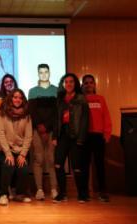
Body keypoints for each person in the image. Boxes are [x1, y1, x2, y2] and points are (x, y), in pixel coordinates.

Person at [53, 73, 89, 203]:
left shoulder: (81, 99)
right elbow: (56, 119)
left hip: (76, 136)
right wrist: (54, 136)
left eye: (71, 82)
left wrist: (81, 138)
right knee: (58, 164)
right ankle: (62, 194)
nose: (69, 84)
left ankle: (82, 194)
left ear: (75, 84)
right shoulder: (60, 99)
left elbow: (85, 120)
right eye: (66, 82)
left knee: (77, 166)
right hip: (62, 135)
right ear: (63, 84)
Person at [0, 89, 32, 205]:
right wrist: (8, 153)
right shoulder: (2, 112)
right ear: (11, 98)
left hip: (20, 149)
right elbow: (0, 133)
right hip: (4, 148)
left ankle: (19, 194)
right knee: (9, 164)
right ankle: (4, 194)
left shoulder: (27, 115)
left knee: (24, 168)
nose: (17, 100)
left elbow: (28, 136)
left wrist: (22, 154)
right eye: (15, 97)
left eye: (20, 98)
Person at [28, 64, 58, 200]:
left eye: (46, 72)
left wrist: (47, 128)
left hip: (52, 130)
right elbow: (32, 112)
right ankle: (39, 189)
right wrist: (41, 127)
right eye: (41, 72)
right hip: (37, 130)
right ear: (38, 74)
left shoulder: (57, 90)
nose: (44, 74)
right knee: (38, 159)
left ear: (50, 73)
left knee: (51, 159)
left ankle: (54, 189)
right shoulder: (32, 91)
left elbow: (56, 113)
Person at [81, 74, 112, 202]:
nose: (89, 85)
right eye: (86, 83)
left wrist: (107, 134)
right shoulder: (81, 99)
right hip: (85, 136)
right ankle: (85, 192)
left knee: (100, 165)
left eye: (91, 82)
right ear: (83, 85)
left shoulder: (101, 99)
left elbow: (106, 117)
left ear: (94, 85)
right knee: (84, 166)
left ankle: (102, 191)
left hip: (98, 136)